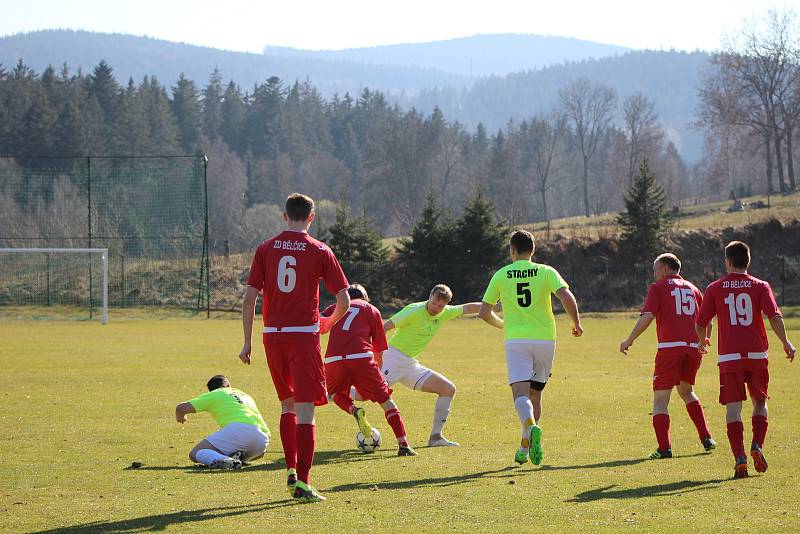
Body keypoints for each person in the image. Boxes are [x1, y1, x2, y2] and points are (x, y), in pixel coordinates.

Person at [239, 192, 350, 503]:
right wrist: (326, 324)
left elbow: (249, 299)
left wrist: (247, 342)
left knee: (287, 404)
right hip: (303, 337)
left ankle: (290, 468)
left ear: (284, 216)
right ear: (311, 218)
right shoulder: (320, 250)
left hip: (272, 336)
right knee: (306, 411)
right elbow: (344, 300)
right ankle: (303, 481)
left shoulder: (265, 248)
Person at [478, 229, 583, 466]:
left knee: (520, 394)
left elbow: (484, 312)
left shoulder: (502, 274)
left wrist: (503, 324)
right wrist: (576, 323)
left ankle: (531, 428)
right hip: (546, 340)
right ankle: (525, 446)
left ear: (512, 250)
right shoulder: (546, 272)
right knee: (536, 393)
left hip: (517, 341)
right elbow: (566, 297)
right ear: (533, 250)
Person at [696, 241, 796, 479]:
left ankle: (740, 458)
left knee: (733, 409)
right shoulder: (761, 286)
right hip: (757, 354)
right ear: (748, 262)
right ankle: (757, 445)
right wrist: (786, 342)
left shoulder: (715, 287)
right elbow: (774, 316)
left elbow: (700, 324)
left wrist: (703, 341)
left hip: (730, 356)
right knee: (760, 402)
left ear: (728, 262)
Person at [353, 284, 482, 447]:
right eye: (434, 303)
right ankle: (331, 393)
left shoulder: (445, 312)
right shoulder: (413, 310)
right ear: (430, 296)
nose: (436, 308)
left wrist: (494, 306)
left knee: (448, 389)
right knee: (364, 394)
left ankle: (435, 437)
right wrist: (377, 355)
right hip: (393, 358)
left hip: (409, 364)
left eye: (440, 306)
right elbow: (384, 327)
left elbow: (468, 307)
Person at [619, 253, 716, 460]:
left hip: (670, 348)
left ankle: (664, 448)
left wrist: (630, 339)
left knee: (660, 399)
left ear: (664, 268)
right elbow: (709, 320)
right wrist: (705, 340)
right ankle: (706, 437)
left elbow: (647, 315)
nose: (654, 275)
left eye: (655, 270)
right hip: (692, 349)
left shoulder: (659, 287)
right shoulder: (694, 289)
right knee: (687, 391)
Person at [322, 284, 417, 456]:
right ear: (365, 298)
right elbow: (379, 349)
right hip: (361, 358)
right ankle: (403, 445)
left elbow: (318, 323)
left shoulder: (337, 306)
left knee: (336, 394)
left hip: (333, 359)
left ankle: (354, 410)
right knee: (386, 401)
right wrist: (378, 371)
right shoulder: (371, 309)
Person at [174, 375, 269, 469]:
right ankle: (233, 458)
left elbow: (180, 408)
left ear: (212, 390)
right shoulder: (245, 395)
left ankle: (227, 461)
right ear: (228, 385)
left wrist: (181, 418)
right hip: (262, 441)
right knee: (236, 445)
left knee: (195, 453)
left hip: (239, 430)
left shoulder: (215, 394)